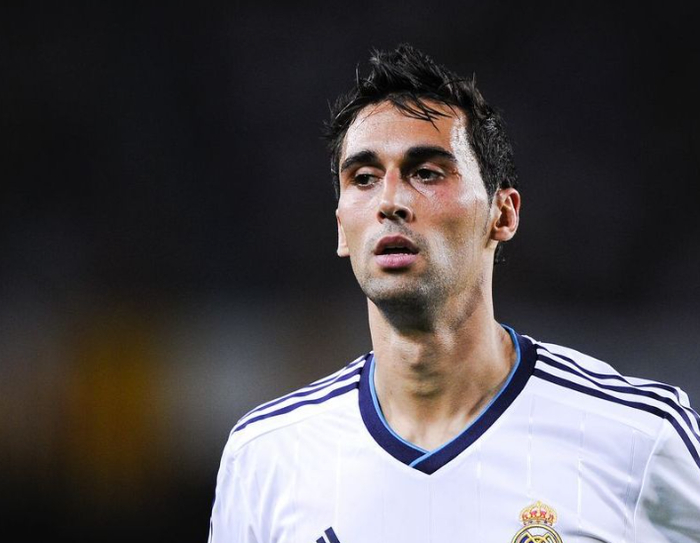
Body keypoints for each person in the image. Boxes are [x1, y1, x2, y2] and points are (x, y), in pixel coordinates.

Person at [208, 44, 700, 542]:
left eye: (426, 173)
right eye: (364, 178)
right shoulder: (266, 457)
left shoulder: (640, 440)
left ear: (503, 214)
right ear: (341, 228)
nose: (390, 201)